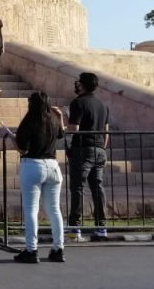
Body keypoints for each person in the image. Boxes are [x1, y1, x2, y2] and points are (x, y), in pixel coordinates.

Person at [14, 91, 67, 263]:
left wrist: (12, 140)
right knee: (54, 209)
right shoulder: (53, 120)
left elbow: (22, 148)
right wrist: (60, 117)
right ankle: (58, 248)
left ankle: (31, 249)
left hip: (33, 165)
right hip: (53, 166)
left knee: (31, 209)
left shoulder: (29, 121)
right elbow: (61, 134)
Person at [66, 72, 110, 241]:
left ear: (82, 84)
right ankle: (101, 227)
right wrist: (102, 148)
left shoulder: (78, 103)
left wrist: (64, 121)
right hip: (99, 149)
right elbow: (106, 132)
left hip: (83, 149)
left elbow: (74, 129)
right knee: (97, 187)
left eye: (78, 82)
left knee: (78, 187)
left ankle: (75, 227)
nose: (76, 84)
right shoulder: (103, 105)